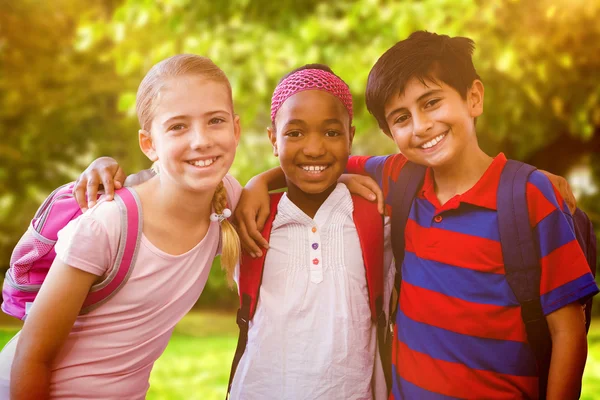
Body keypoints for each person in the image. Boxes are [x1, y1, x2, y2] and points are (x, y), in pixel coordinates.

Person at [236, 32, 598, 399]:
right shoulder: (401, 177)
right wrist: (259, 182)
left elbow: (568, 331)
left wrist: (531, 178)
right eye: (401, 118)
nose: (421, 126)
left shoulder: (528, 196)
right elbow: (317, 160)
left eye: (432, 103)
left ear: (474, 97)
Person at [74, 64, 394, 400]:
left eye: (331, 133)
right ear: (273, 139)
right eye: (295, 133)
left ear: (350, 137)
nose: (314, 148)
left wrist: (278, 178)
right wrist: (105, 164)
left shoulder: (375, 216)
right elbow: (164, 190)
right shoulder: (245, 214)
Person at [0, 54, 242, 399]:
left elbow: (304, 178)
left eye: (215, 121)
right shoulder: (107, 226)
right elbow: (32, 356)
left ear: (236, 129)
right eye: (178, 126)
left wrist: (271, 178)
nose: (201, 140)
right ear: (149, 144)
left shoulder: (226, 198)